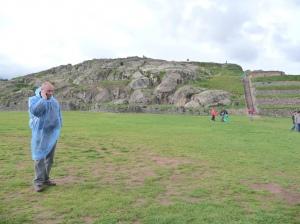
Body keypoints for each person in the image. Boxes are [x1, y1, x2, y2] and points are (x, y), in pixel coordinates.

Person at [28, 82, 62, 192]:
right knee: (39, 158)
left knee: (49, 159)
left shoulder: (54, 101)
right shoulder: (34, 100)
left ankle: (46, 179)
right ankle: (38, 182)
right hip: (40, 134)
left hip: (51, 134)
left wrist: (58, 127)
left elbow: (58, 115)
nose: (51, 93)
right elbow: (35, 112)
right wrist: (43, 99)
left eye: (52, 91)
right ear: (42, 90)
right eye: (48, 91)